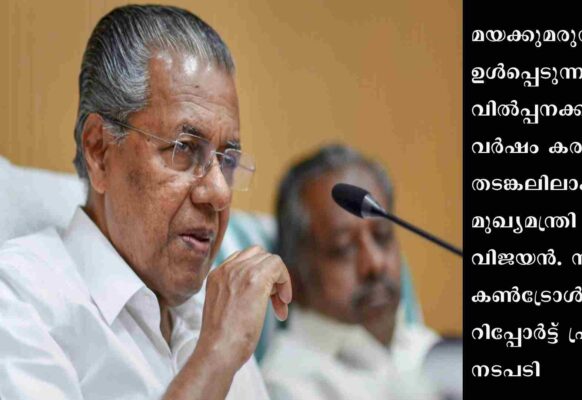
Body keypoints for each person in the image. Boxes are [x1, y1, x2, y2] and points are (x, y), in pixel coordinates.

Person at [0, 5, 292, 399]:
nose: (220, 193)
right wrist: (216, 355)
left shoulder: (214, 312)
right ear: (99, 150)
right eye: (184, 149)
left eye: (228, 161)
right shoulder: (21, 300)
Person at [261, 144, 440, 400]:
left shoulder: (432, 353)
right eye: (343, 249)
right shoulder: (288, 386)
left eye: (382, 236)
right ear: (293, 277)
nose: (375, 263)